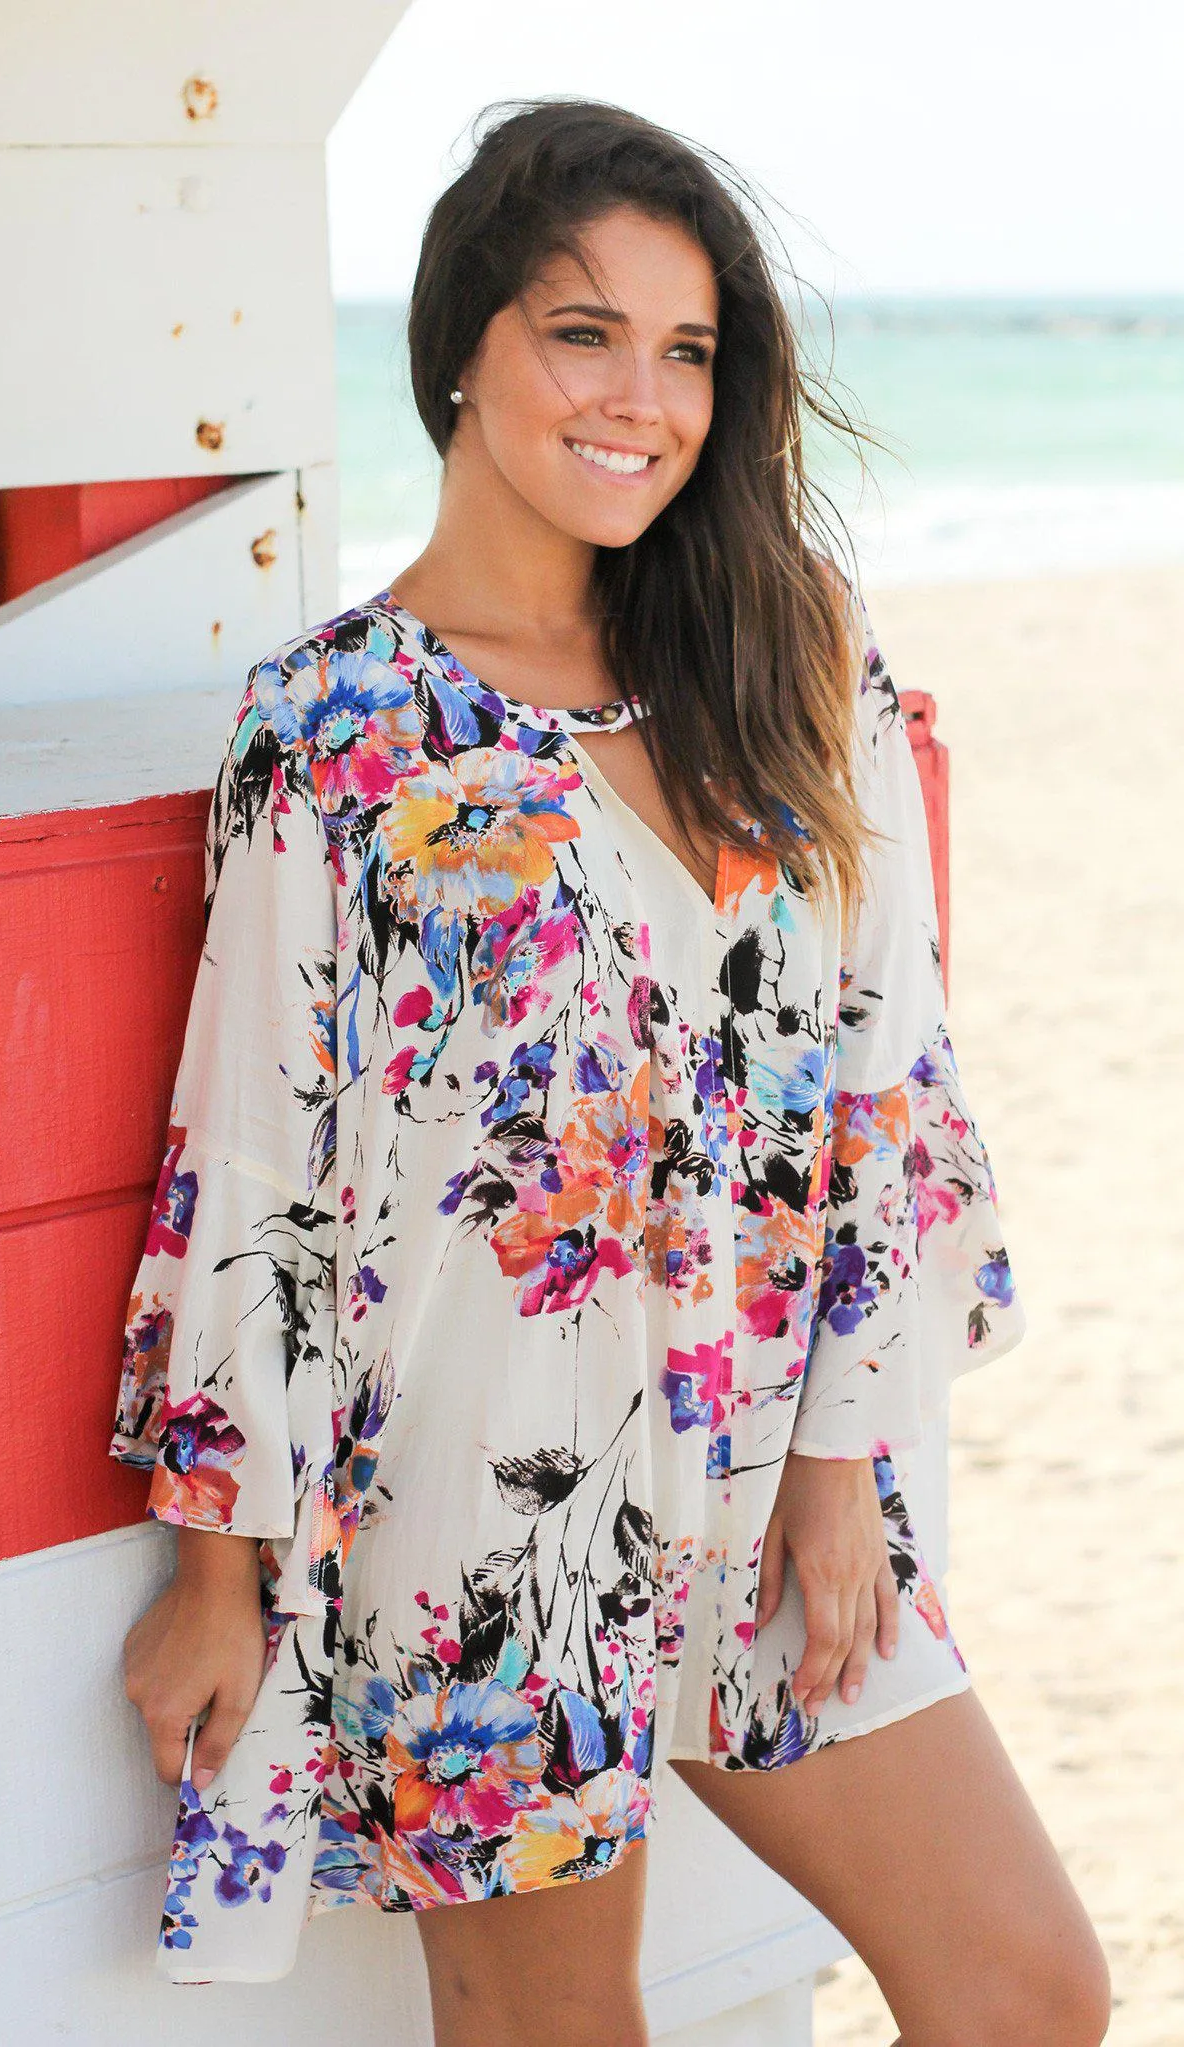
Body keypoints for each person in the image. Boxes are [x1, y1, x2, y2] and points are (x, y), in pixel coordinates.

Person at [111, 98, 1110, 2047]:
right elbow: (256, 1166)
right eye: (583, 334)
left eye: (687, 349)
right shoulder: (337, 721)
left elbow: (886, 1076)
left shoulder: (794, 645)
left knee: (1021, 1986)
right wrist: (217, 1574)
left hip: (763, 1481)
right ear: (460, 350)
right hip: (476, 1508)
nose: (640, 397)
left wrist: (843, 1462)